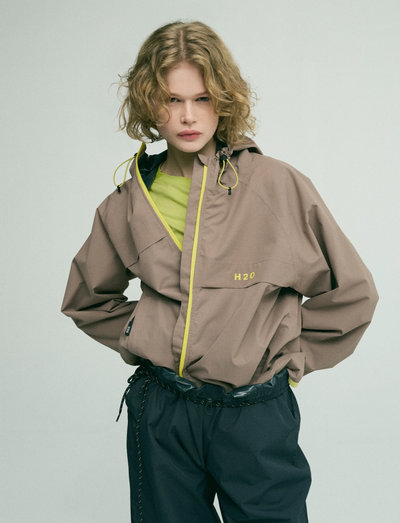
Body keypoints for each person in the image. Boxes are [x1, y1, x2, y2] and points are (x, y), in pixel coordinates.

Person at [61, 20, 379, 523]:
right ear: (149, 103)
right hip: (162, 413)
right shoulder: (127, 203)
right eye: (171, 100)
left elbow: (354, 293)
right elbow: (87, 299)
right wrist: (145, 332)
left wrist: (291, 359)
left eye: (202, 98)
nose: (188, 115)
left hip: (255, 414)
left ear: (224, 99)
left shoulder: (276, 185)